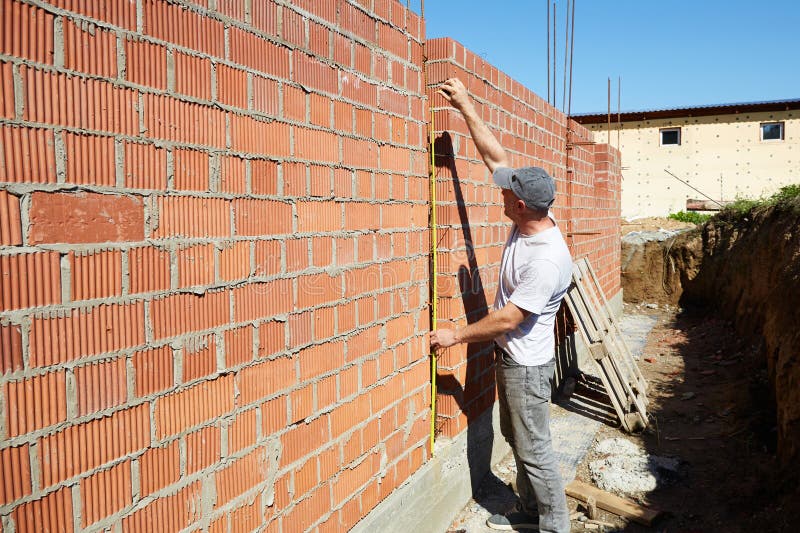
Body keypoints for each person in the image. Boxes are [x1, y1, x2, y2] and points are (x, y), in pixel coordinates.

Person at [429, 78, 573, 533]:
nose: (501, 194)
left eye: (507, 195)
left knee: (534, 448)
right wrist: (466, 104)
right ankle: (530, 511)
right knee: (517, 437)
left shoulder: (546, 258)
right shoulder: (533, 216)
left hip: (526, 365)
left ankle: (555, 527)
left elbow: (511, 318)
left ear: (522, 205)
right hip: (514, 358)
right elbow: (496, 157)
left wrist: (456, 336)